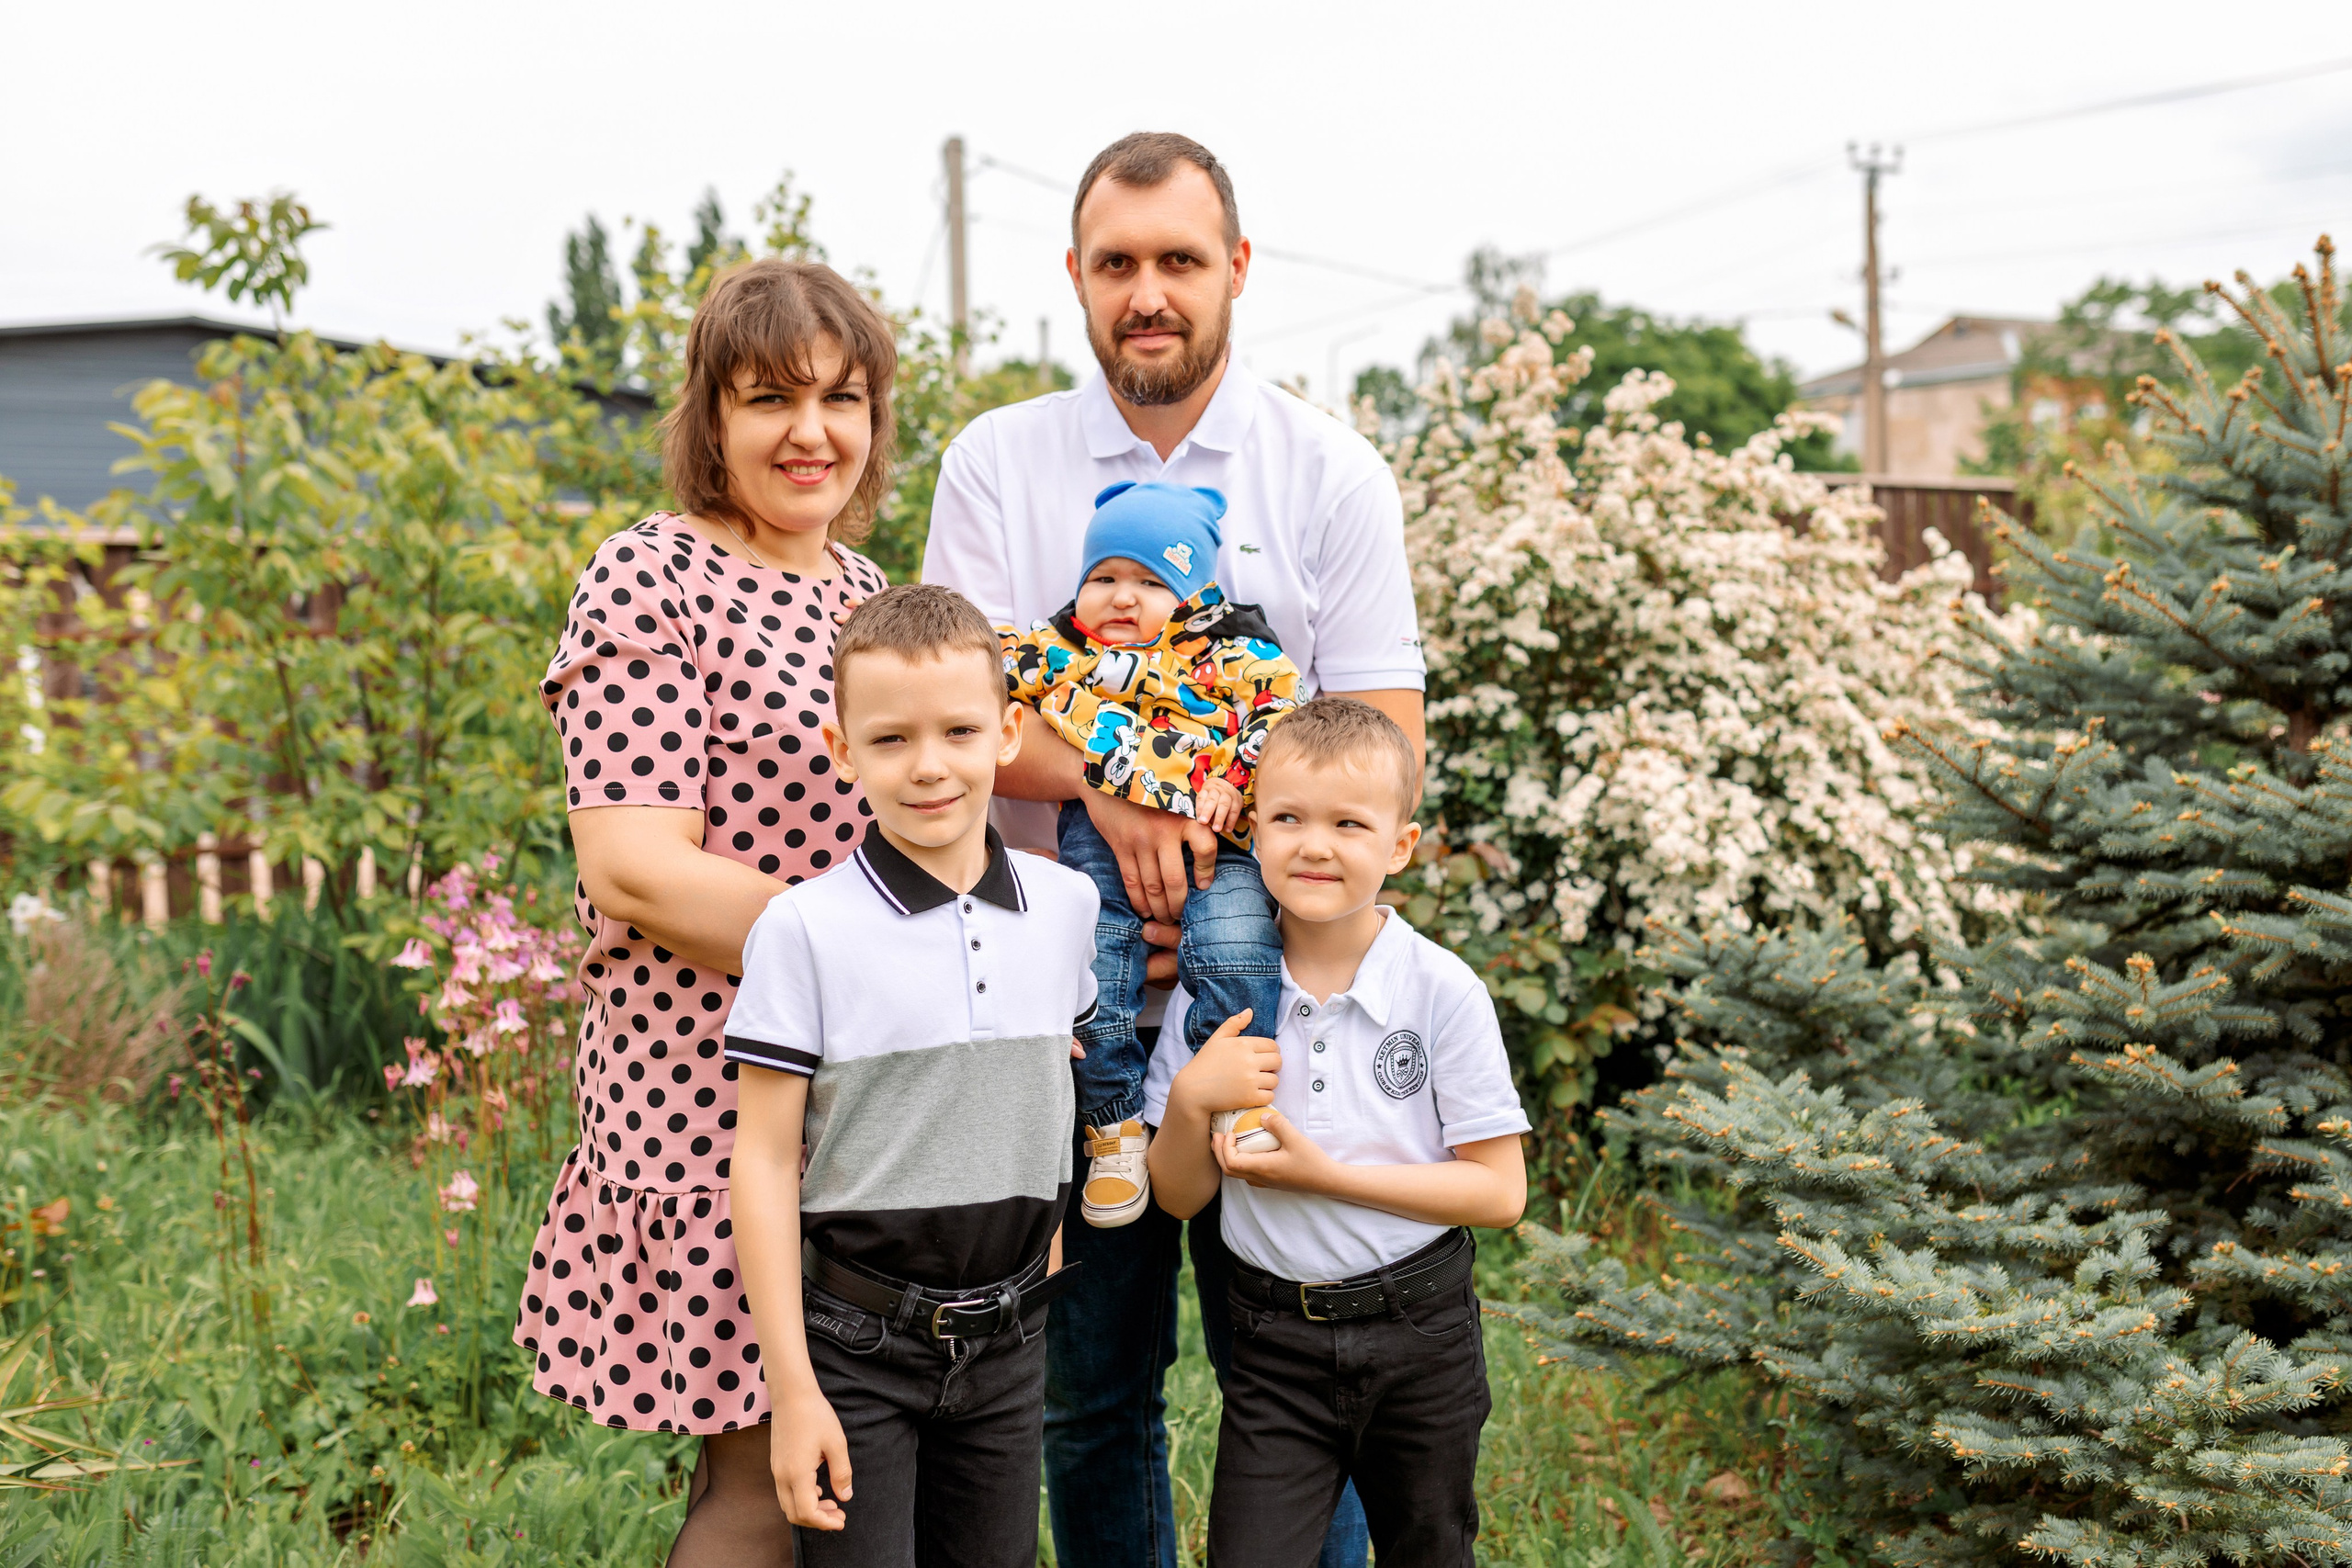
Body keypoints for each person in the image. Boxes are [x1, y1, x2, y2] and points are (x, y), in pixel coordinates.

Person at [923, 129, 1425, 1568]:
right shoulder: (998, 462)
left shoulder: (1326, 472)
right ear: (1076, 277)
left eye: (1180, 261)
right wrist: (1116, 786)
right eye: (1119, 263)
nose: (1151, 292)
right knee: (1090, 1399)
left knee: (1301, 1389)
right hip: (1054, 1018)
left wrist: (1201, 817)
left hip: (1275, 1003)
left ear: (1238, 270)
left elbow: (1379, 741)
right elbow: (947, 719)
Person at [515, 255, 897, 1568]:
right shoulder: (650, 575)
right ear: (710, 417)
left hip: (867, 1085)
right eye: (770, 399)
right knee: (759, 1469)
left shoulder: (864, 592)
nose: (812, 432)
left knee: (854, 1453)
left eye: (842, 398)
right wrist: (885, 961)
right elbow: (636, 867)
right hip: (714, 1080)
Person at [726, 583, 1102, 1565]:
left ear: (1009, 734)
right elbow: (763, 1163)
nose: (928, 767)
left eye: (958, 731)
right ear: (842, 750)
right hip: (857, 1346)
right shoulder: (802, 928)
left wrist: (1042, 1256)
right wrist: (794, 1388)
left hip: (1012, 1342)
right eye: (890, 741)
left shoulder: (1067, 909)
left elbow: (1049, 1083)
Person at [1147, 697, 1530, 1565]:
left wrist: (1325, 1176)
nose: (1314, 844)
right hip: (1271, 1339)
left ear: (1400, 845)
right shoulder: (1222, 989)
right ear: (1253, 826)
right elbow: (1176, 1196)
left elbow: (1500, 1194)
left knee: (1426, 1548)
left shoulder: (1440, 990)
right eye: (1287, 817)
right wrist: (1191, 1100)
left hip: (1419, 1331)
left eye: (1349, 822)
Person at [1001, 479, 1298, 1228]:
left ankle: (1233, 1099)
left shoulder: (1235, 654)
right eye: (1103, 577)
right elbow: (985, 676)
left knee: (1236, 944)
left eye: (1150, 580)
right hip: (1095, 842)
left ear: (1194, 594)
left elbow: (1281, 719)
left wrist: (1237, 779)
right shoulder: (1060, 652)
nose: (1121, 595)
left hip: (1219, 843)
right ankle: (1112, 1126)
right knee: (1096, 969)